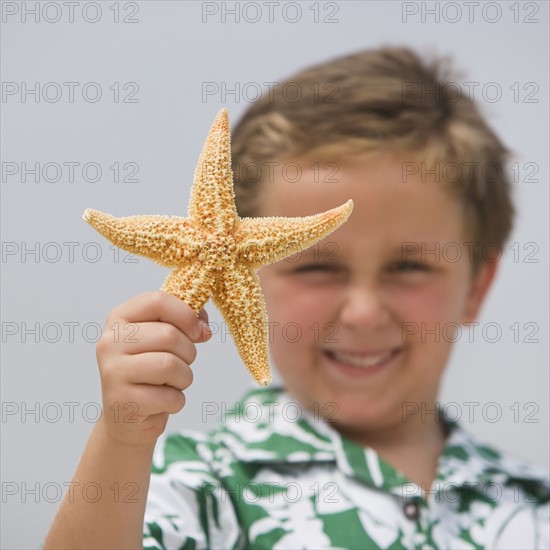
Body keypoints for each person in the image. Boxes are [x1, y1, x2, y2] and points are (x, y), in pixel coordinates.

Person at [44, 47, 549, 549]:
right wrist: (122, 439)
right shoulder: (199, 484)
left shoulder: (534, 509)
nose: (363, 312)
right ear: (248, 280)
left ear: (476, 289)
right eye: (317, 265)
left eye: (408, 266)